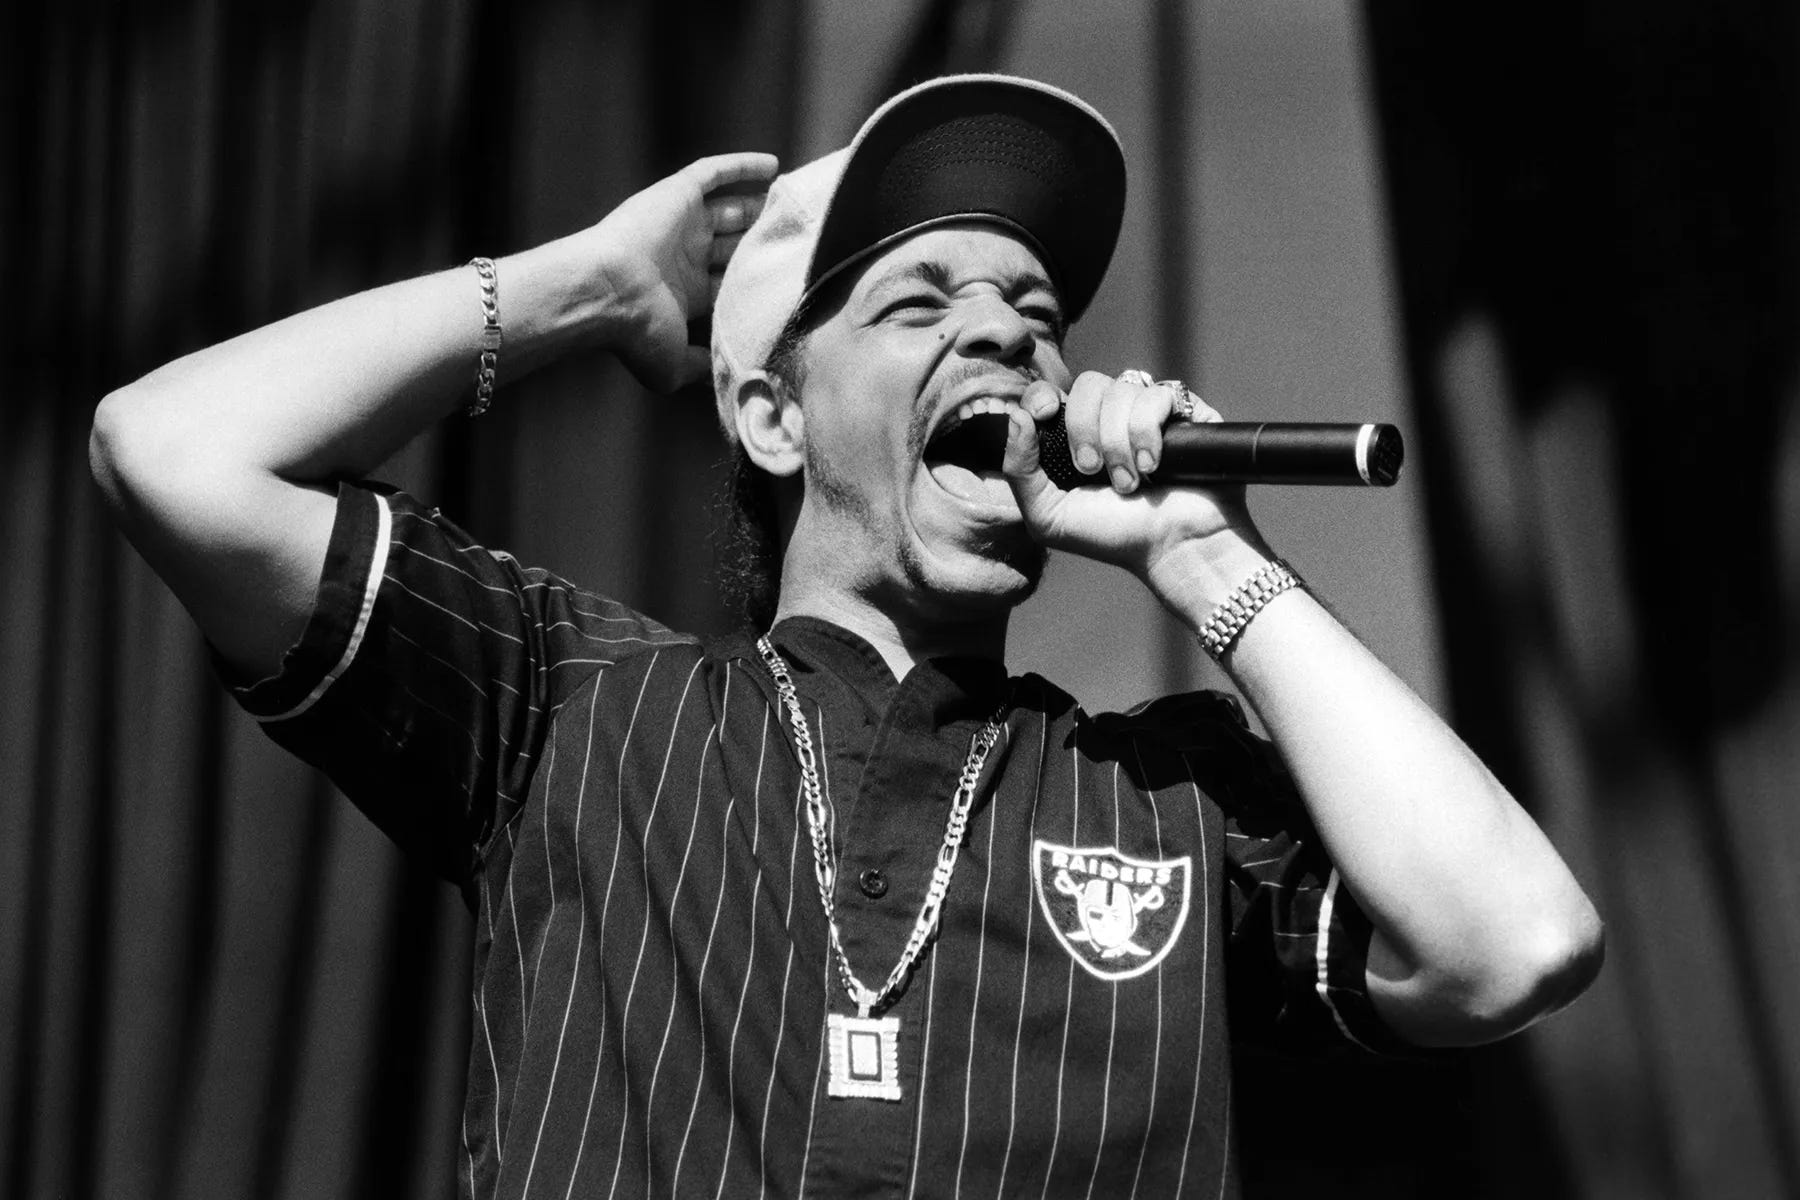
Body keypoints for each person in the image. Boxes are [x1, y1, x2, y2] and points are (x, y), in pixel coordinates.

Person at [90, 74, 1603, 1199]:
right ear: (773, 416)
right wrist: (587, 289)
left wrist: (1212, 564)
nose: (1007, 334)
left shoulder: (1167, 799)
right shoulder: (570, 701)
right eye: (919, 304)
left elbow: (1515, 945)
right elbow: (174, 454)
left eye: (1035, 312)